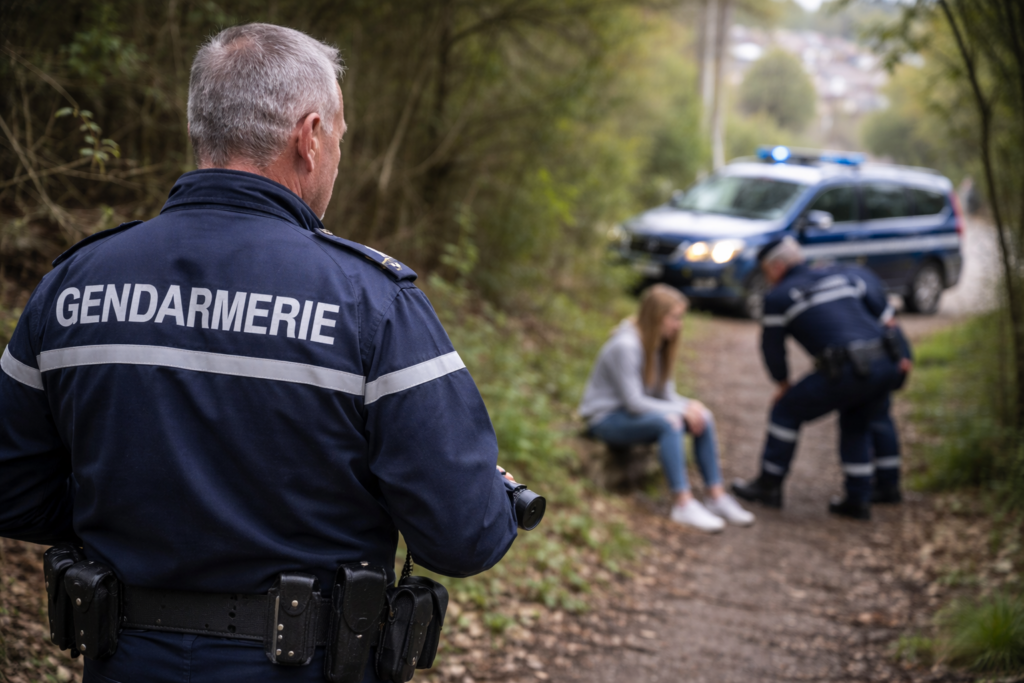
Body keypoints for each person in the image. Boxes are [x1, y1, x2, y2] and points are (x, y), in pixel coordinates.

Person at [0, 24, 518, 681]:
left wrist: (131, 505)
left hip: (125, 659)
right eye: (338, 138)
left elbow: (12, 487)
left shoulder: (74, 285)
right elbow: (463, 532)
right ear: (309, 137)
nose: (336, 157)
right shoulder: (373, 303)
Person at [732, 236, 912, 520]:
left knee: (786, 410)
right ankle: (860, 498)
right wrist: (904, 353)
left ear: (776, 266)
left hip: (851, 367)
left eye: (766, 270)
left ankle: (769, 484)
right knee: (857, 419)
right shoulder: (840, 276)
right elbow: (884, 317)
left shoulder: (778, 297)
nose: (767, 277)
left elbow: (772, 348)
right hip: (885, 362)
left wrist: (782, 383)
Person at [579, 284, 754, 532]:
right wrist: (681, 412)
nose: (679, 324)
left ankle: (716, 496)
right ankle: (683, 504)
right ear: (656, 317)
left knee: (703, 415)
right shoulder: (626, 346)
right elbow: (634, 402)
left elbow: (664, 394)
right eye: (675, 317)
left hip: (630, 415)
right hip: (605, 420)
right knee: (670, 421)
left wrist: (690, 406)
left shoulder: (657, 343)